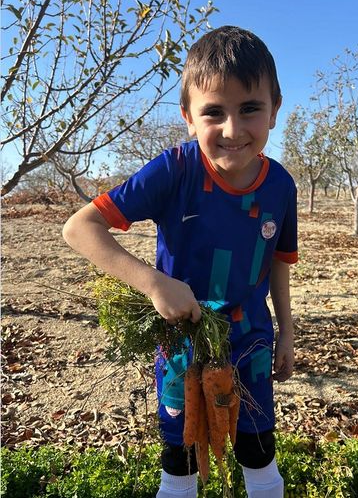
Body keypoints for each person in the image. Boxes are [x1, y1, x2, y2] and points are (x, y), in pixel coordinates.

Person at [62, 26, 296, 498]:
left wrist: (286, 330)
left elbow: (277, 263)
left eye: (250, 108)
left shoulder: (280, 187)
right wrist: (154, 284)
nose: (232, 129)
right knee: (181, 454)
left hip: (251, 340)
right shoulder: (175, 170)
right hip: (182, 346)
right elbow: (80, 228)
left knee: (258, 450)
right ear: (189, 117)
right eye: (214, 112)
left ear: (275, 108)